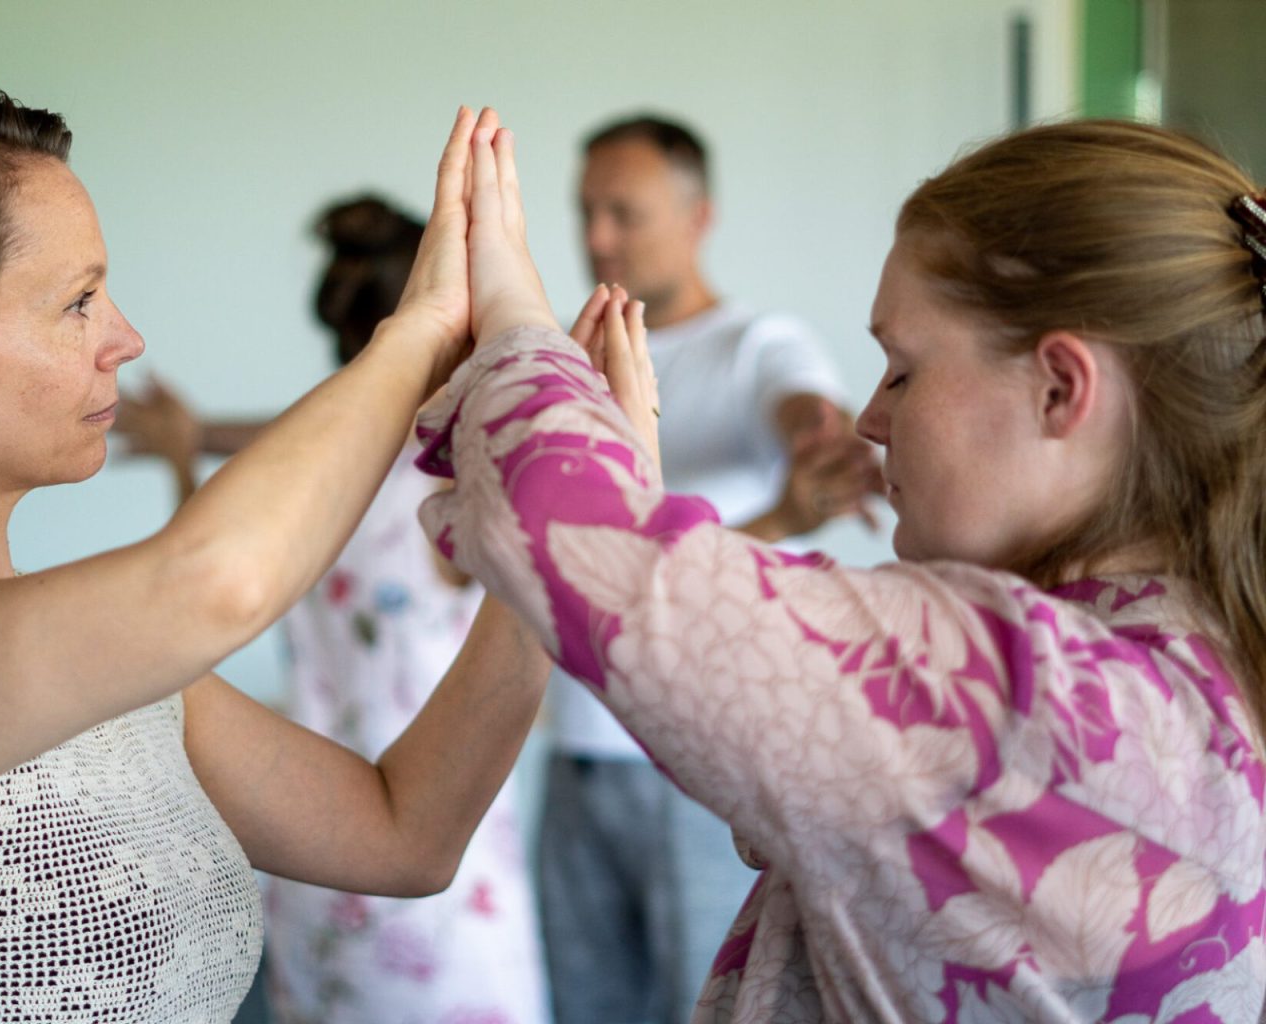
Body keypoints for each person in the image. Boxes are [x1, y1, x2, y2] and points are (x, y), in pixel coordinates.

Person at [0, 93, 554, 1023]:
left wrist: (555, 554)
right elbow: (217, 581)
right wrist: (426, 327)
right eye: (78, 302)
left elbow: (407, 835)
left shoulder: (104, 663)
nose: (126, 340)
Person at [429, 112, 1266, 1019]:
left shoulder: (1040, 698)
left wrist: (511, 306)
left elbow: (556, 521)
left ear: (1061, 389)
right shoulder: (1192, 662)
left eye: (902, 370)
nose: (872, 417)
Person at [116, 195, 550, 1024]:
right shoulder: (455, 482)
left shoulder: (299, 482)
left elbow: (206, 572)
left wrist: (187, 448)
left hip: (313, 844)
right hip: (440, 851)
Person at [539, 113, 881, 1024]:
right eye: (586, 211)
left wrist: (822, 435)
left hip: (701, 762)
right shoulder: (573, 366)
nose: (597, 237)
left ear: (698, 218)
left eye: (624, 212)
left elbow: (804, 407)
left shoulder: (757, 344)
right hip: (574, 752)